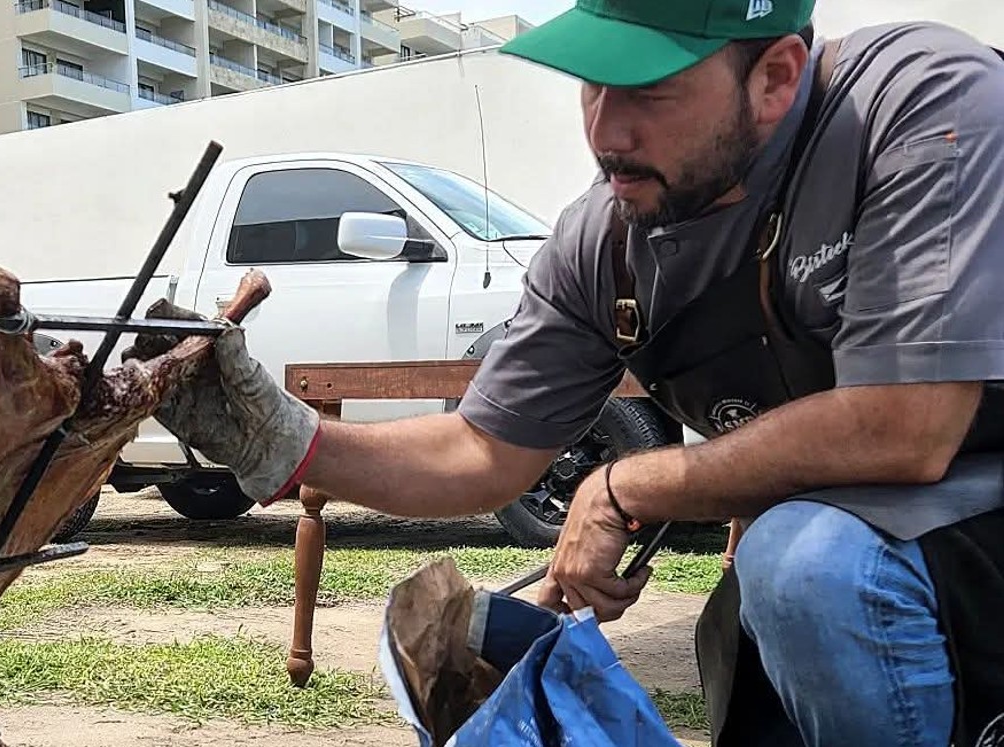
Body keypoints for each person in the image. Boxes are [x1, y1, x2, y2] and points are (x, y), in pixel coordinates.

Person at [130, 0, 1004, 744]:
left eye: (650, 92)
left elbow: (908, 420)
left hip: (967, 511)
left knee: (807, 563)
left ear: (776, 77)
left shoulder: (920, 105)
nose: (605, 132)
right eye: (594, 87)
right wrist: (287, 437)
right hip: (869, 537)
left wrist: (625, 485)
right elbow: (483, 449)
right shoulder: (606, 240)